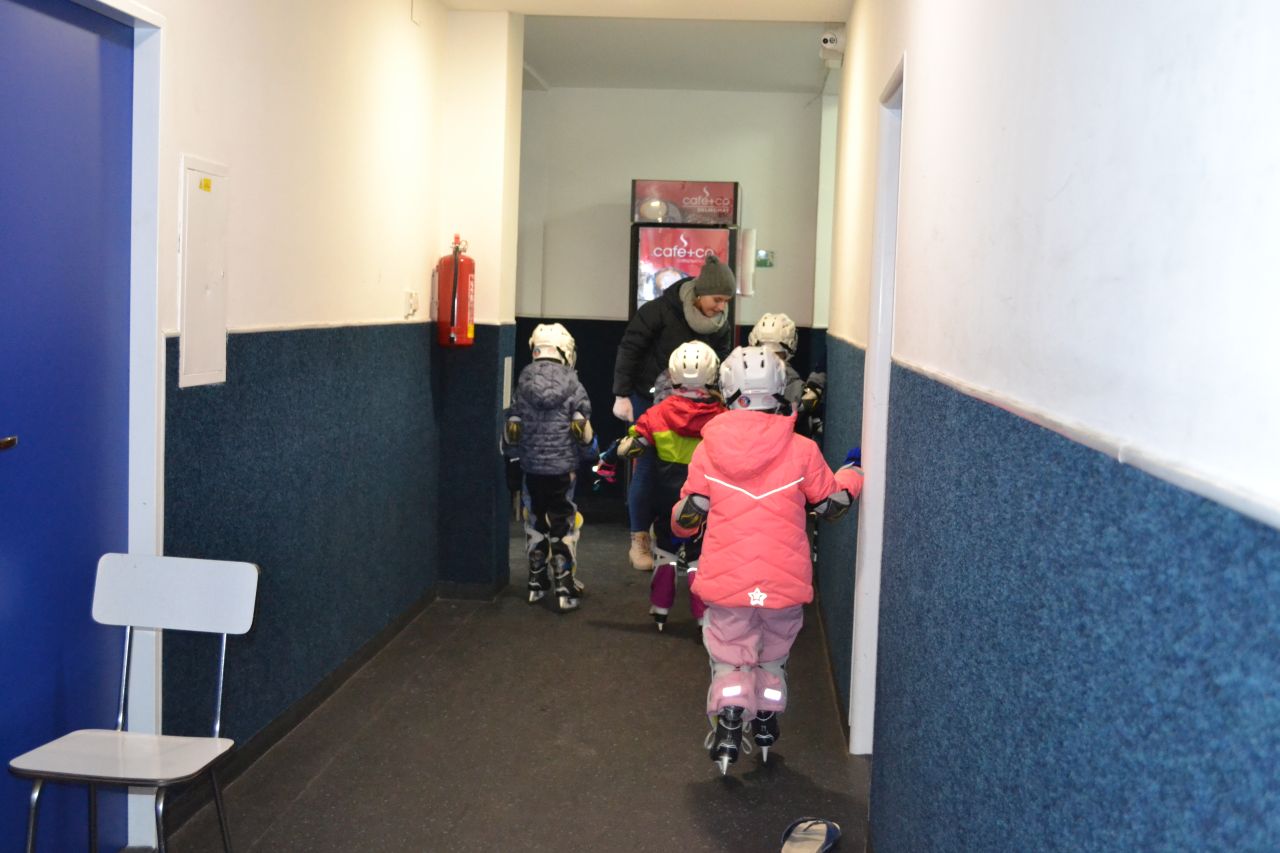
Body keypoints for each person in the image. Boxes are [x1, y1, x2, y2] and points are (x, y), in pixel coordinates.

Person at [670, 346, 863, 774]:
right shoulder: (802, 449)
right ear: (779, 390)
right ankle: (765, 719)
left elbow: (686, 519)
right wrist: (854, 474)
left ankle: (729, 716)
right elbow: (831, 505)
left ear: (728, 391)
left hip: (728, 582)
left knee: (729, 650)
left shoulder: (707, 451)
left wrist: (685, 518)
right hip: (781, 583)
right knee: (774, 652)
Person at [612, 254, 735, 571]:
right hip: (649, 398)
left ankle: (680, 536)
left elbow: (722, 362)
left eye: (726, 301)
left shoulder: (719, 325)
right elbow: (630, 348)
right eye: (717, 299)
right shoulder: (659, 311)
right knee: (646, 468)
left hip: (697, 404)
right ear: (699, 293)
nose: (721, 306)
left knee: (690, 472)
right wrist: (622, 394)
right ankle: (639, 536)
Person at [616, 341, 725, 632]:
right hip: (703, 498)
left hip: (665, 495)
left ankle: (660, 608)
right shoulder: (721, 416)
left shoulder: (657, 414)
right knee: (699, 555)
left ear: (673, 375)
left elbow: (631, 445)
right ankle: (703, 615)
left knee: (665, 550)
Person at [503, 323, 597, 613]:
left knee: (535, 520)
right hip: (563, 471)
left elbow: (513, 428)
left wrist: (514, 457)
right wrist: (590, 454)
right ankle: (564, 581)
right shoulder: (574, 385)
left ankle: (536, 579)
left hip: (532, 469)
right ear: (565, 351)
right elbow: (582, 428)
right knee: (563, 522)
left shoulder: (523, 382)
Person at [747, 312, 826, 440]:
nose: (770, 357)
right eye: (764, 351)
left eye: (776, 352)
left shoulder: (796, 387)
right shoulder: (798, 388)